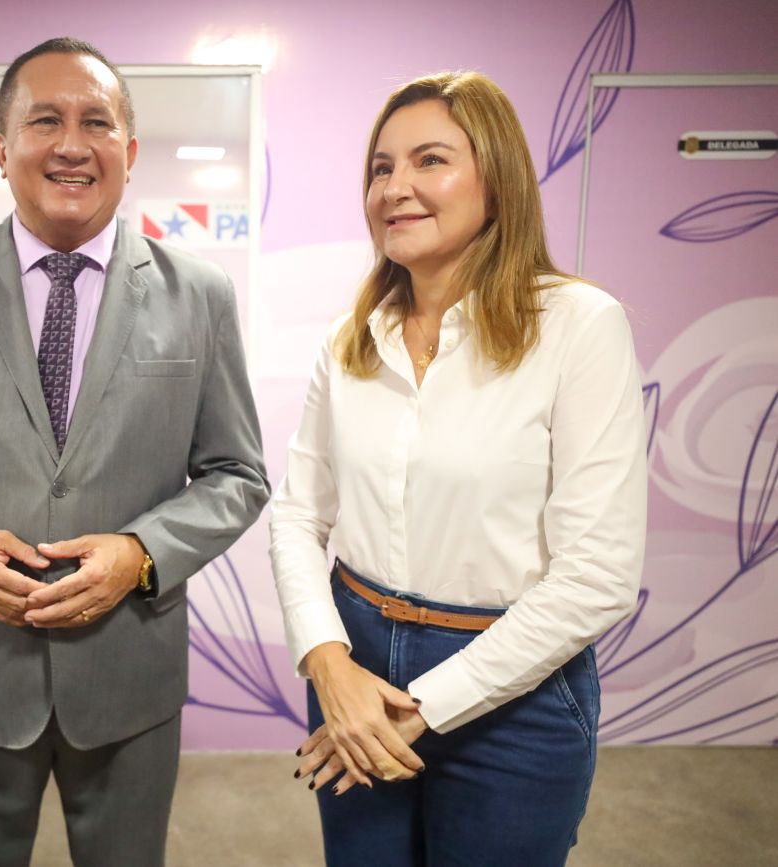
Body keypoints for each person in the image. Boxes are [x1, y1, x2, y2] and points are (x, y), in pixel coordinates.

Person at [0, 36, 268, 867]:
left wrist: (142, 553)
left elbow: (237, 474)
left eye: (96, 122)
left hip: (128, 674)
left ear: (129, 152)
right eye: (45, 121)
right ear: (2, 150)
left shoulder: (199, 294)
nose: (73, 144)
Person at [269, 71, 647, 866]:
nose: (394, 188)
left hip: (516, 688)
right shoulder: (351, 337)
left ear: (496, 181)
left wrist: (423, 706)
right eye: (381, 168)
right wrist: (328, 662)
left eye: (429, 160)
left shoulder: (578, 326)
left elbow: (599, 575)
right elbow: (299, 514)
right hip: (355, 662)